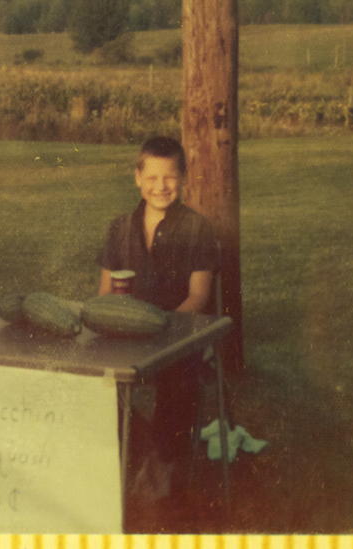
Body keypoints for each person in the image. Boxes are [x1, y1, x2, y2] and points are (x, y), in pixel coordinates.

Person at [95, 136, 220, 499]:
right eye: (151, 177)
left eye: (170, 177)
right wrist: (115, 325)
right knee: (90, 379)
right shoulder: (120, 228)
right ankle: (142, 449)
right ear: (137, 177)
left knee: (178, 375)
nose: (160, 187)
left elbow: (199, 296)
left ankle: (162, 461)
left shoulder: (197, 228)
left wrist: (161, 330)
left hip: (177, 334)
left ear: (183, 178)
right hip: (126, 336)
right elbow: (105, 295)